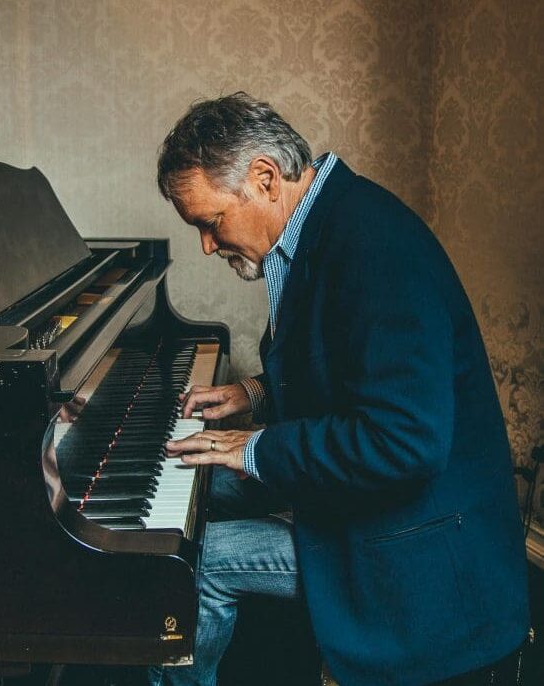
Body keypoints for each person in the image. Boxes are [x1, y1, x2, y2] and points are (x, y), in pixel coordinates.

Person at [149, 93, 529, 686]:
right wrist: (257, 392)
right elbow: (341, 361)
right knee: (197, 484)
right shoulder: (323, 225)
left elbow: (406, 441)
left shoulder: (374, 247)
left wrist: (253, 447)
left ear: (265, 178)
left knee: (197, 561)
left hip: (417, 543)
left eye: (210, 221)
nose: (205, 244)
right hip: (374, 502)